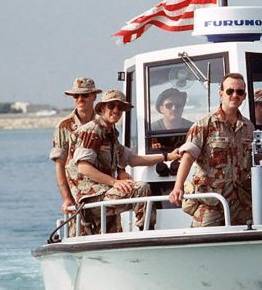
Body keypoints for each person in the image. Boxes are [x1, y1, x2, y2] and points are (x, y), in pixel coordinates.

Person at [66, 89, 180, 234]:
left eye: (120, 107)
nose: (116, 110)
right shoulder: (93, 131)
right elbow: (83, 168)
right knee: (141, 188)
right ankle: (147, 234)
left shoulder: (110, 133)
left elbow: (131, 159)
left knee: (113, 235)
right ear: (101, 108)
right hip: (90, 198)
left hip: (103, 193)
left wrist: (167, 157)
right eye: (111, 106)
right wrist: (115, 182)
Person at [169, 73, 254, 227]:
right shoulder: (204, 125)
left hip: (241, 203)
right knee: (203, 247)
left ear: (244, 96)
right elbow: (188, 157)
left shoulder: (249, 128)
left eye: (239, 92)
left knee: (246, 245)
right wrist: (177, 187)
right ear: (221, 94)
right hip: (211, 202)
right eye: (230, 91)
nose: (235, 95)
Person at [49, 77, 103, 215]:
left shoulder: (104, 124)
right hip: (78, 197)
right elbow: (60, 165)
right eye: (76, 95)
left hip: (104, 192)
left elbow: (116, 154)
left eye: (85, 95)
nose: (80, 99)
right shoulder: (64, 127)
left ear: (94, 96)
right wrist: (66, 199)